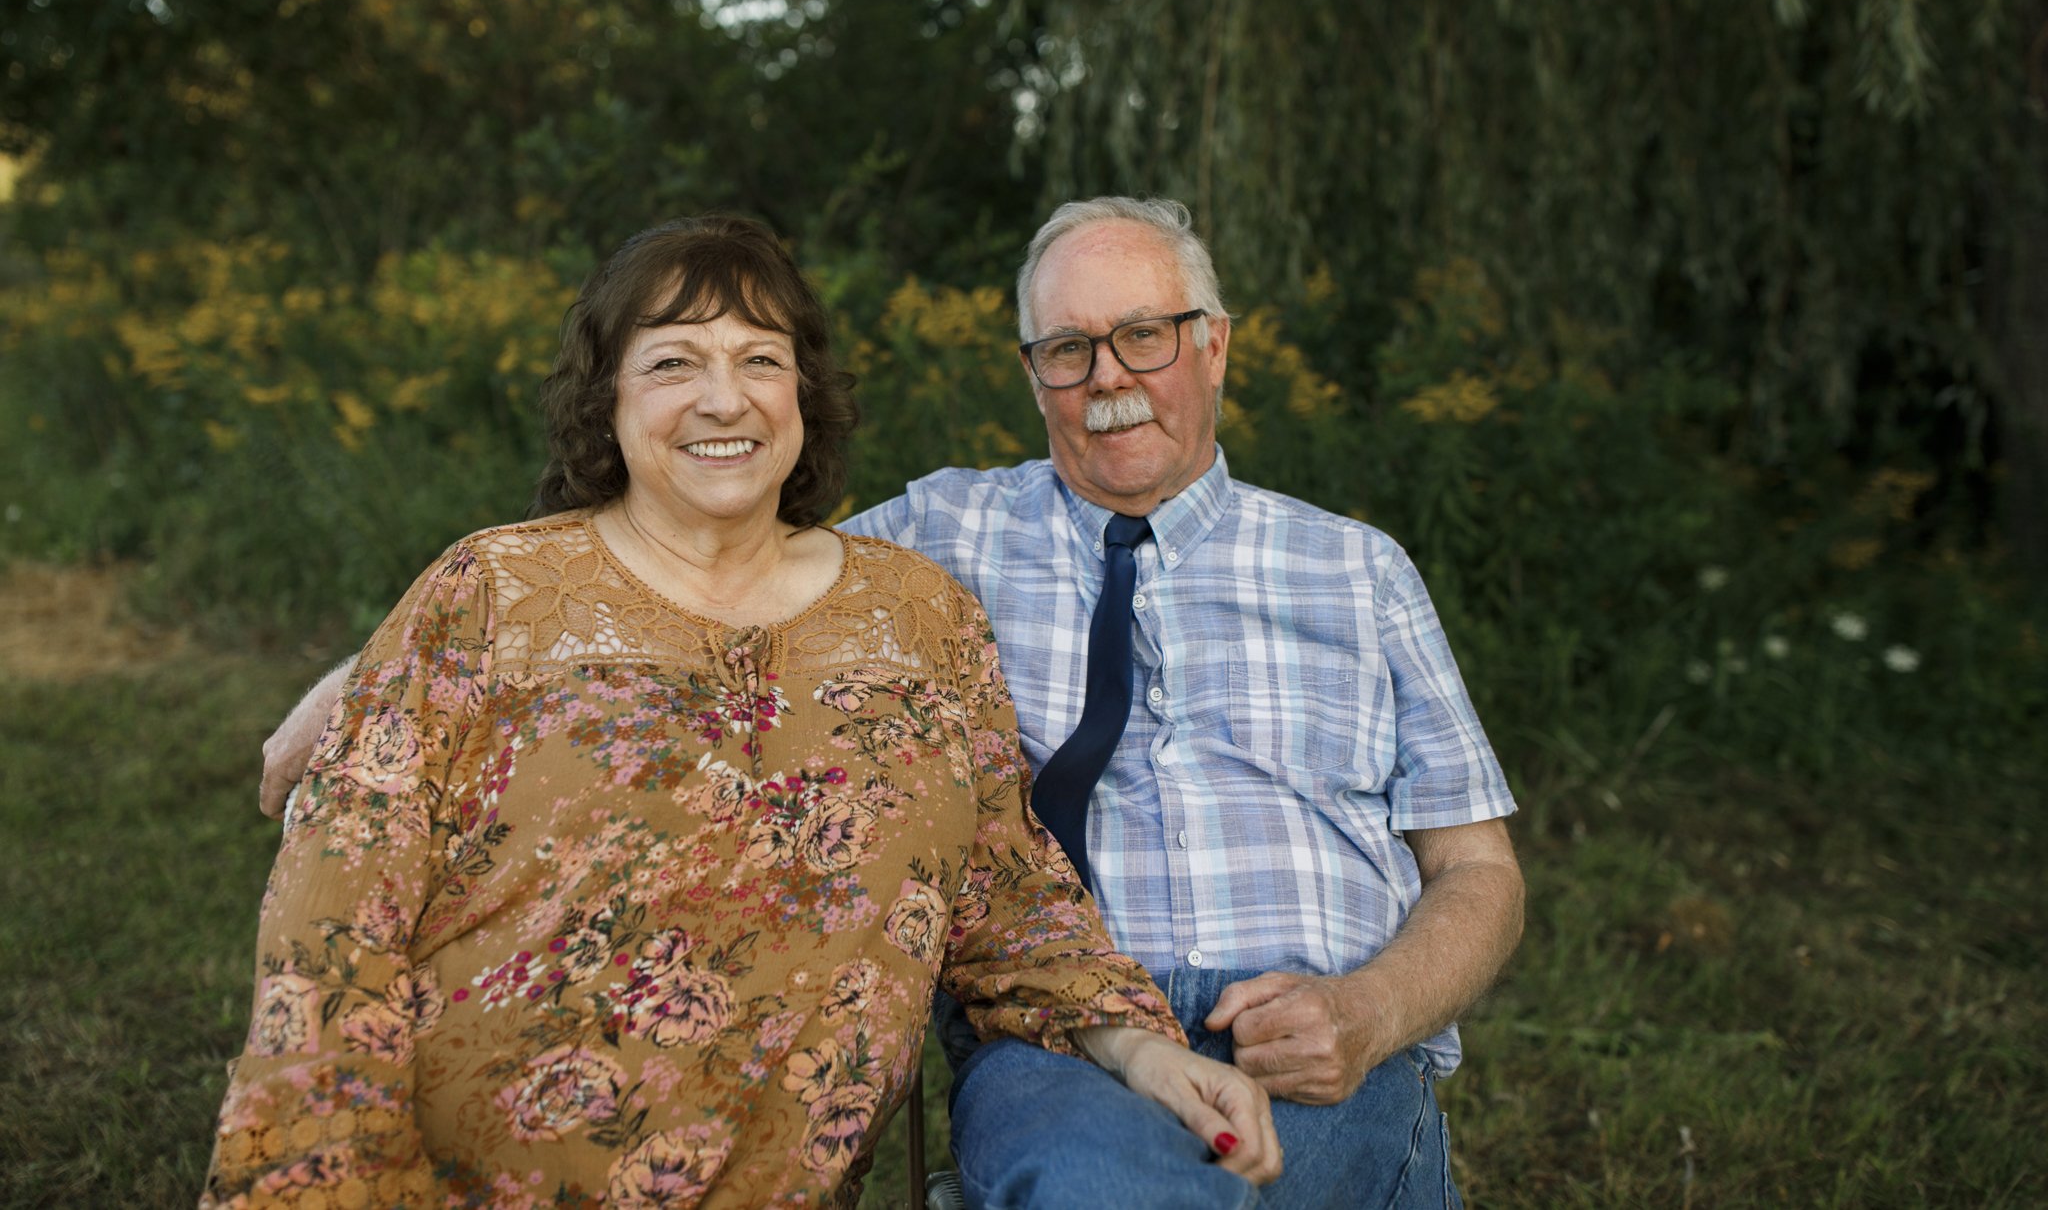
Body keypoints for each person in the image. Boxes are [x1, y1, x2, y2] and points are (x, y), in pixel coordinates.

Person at [261, 198, 1522, 1209]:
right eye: (1067, 349)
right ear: (1031, 374)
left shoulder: (1357, 570)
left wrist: (1367, 1013)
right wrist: (386, 670)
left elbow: (1478, 871)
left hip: (1316, 1017)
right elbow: (691, 565)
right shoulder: (935, 542)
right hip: (1062, 1029)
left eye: (1146, 333)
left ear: (1213, 343)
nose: (1110, 378)